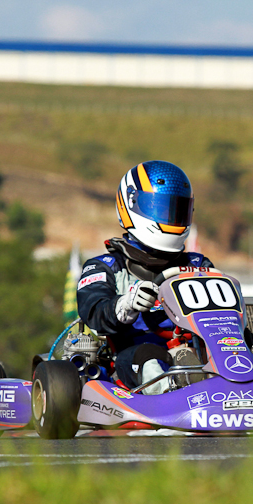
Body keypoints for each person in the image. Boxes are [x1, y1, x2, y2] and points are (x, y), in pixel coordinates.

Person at [77, 161, 214, 392]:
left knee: (238, 344)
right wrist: (125, 304)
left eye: (176, 210)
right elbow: (93, 310)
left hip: (195, 350)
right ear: (130, 204)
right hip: (131, 357)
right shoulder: (104, 266)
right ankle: (172, 391)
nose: (170, 217)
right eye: (161, 209)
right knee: (148, 356)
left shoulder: (198, 265)